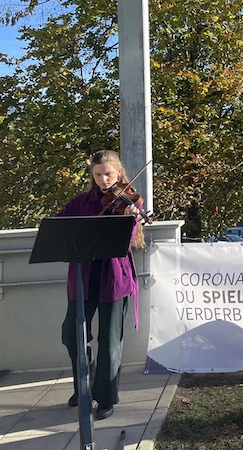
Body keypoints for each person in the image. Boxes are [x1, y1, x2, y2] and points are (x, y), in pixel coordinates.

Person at [59, 150, 146, 421]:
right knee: (72, 335)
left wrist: (131, 218)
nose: (103, 180)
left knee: (109, 342)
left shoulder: (128, 201)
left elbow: (128, 239)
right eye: (98, 174)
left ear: (118, 173)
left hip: (114, 279)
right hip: (82, 279)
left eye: (108, 174)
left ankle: (105, 397)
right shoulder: (81, 202)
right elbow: (59, 225)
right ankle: (84, 387)